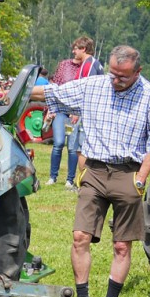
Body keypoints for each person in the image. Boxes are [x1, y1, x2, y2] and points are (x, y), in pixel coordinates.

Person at [29, 45, 150, 297]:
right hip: (94, 172)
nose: (115, 79)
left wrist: (140, 180)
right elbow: (53, 93)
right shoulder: (94, 86)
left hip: (128, 173)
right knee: (80, 237)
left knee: (121, 245)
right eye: (112, 73)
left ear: (138, 72)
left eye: (123, 76)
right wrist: (12, 92)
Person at [46, 37, 104, 187]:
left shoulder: (88, 66)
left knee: (76, 147)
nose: (73, 51)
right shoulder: (75, 64)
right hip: (66, 111)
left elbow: (87, 90)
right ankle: (56, 177)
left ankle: (78, 182)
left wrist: (77, 111)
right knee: (64, 144)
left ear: (83, 49)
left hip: (77, 113)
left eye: (76, 49)